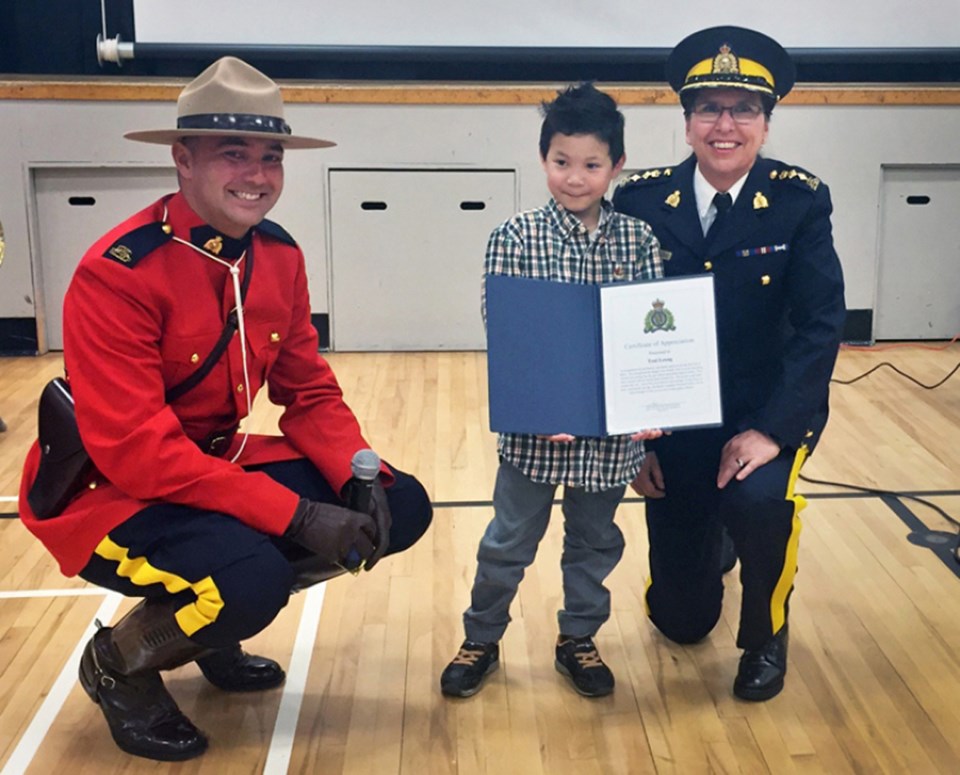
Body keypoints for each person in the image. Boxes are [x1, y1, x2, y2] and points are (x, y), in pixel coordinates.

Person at [17, 57, 432, 761]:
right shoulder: (117, 274)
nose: (258, 174)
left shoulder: (277, 255)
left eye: (270, 156)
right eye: (232, 154)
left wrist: (353, 471)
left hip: (210, 465)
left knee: (399, 505)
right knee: (252, 577)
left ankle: (212, 617)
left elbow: (308, 389)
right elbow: (140, 452)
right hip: (112, 490)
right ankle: (119, 662)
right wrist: (297, 515)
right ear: (183, 159)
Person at [613, 26, 846, 701]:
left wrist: (774, 430)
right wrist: (635, 438)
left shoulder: (800, 201)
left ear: (765, 124)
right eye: (709, 108)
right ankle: (708, 545)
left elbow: (820, 323)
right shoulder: (641, 201)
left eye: (743, 109)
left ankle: (766, 632)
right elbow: (620, 320)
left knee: (761, 501)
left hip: (763, 411)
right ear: (686, 124)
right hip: (675, 422)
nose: (725, 124)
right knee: (680, 621)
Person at [440, 83, 663, 699]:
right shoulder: (513, 236)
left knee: (595, 542)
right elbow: (509, 333)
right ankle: (481, 636)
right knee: (507, 542)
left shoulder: (639, 241)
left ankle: (578, 638)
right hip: (535, 438)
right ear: (543, 160)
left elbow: (646, 336)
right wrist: (541, 402)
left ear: (616, 167)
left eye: (592, 164)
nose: (575, 177)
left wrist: (650, 406)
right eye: (562, 162)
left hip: (609, 444)